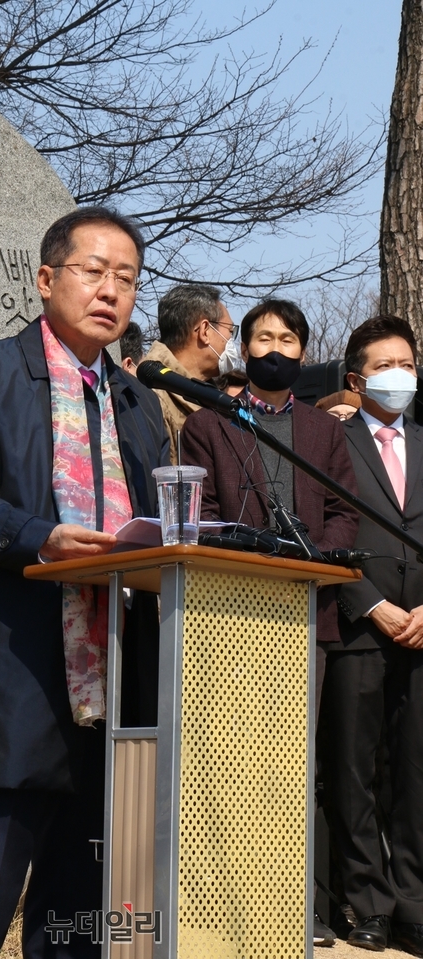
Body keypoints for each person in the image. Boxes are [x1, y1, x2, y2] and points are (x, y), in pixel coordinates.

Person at [0, 205, 169, 959]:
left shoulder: (137, 399)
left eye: (126, 279)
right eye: (93, 271)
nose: (110, 291)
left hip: (117, 687)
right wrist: (43, 538)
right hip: (19, 678)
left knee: (77, 922)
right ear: (45, 278)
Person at [181, 297, 359, 948]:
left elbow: (344, 510)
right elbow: (200, 511)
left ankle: (295, 907)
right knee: (232, 766)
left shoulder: (324, 431)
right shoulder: (208, 424)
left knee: (295, 767)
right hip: (232, 616)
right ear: (244, 349)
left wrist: (316, 552)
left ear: (304, 352)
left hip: (305, 615)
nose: (275, 347)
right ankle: (227, 908)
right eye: (262, 337)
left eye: (287, 337)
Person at [324, 315, 423, 956]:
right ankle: (367, 903)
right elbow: (323, 527)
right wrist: (371, 603)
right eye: (386, 367)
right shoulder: (329, 440)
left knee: (417, 771)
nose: (401, 377)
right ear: (358, 379)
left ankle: (415, 903)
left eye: (409, 366)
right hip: (360, 623)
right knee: (354, 768)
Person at [140, 283, 238, 462]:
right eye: (231, 331)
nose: (232, 341)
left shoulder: (211, 397)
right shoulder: (150, 397)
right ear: (205, 331)